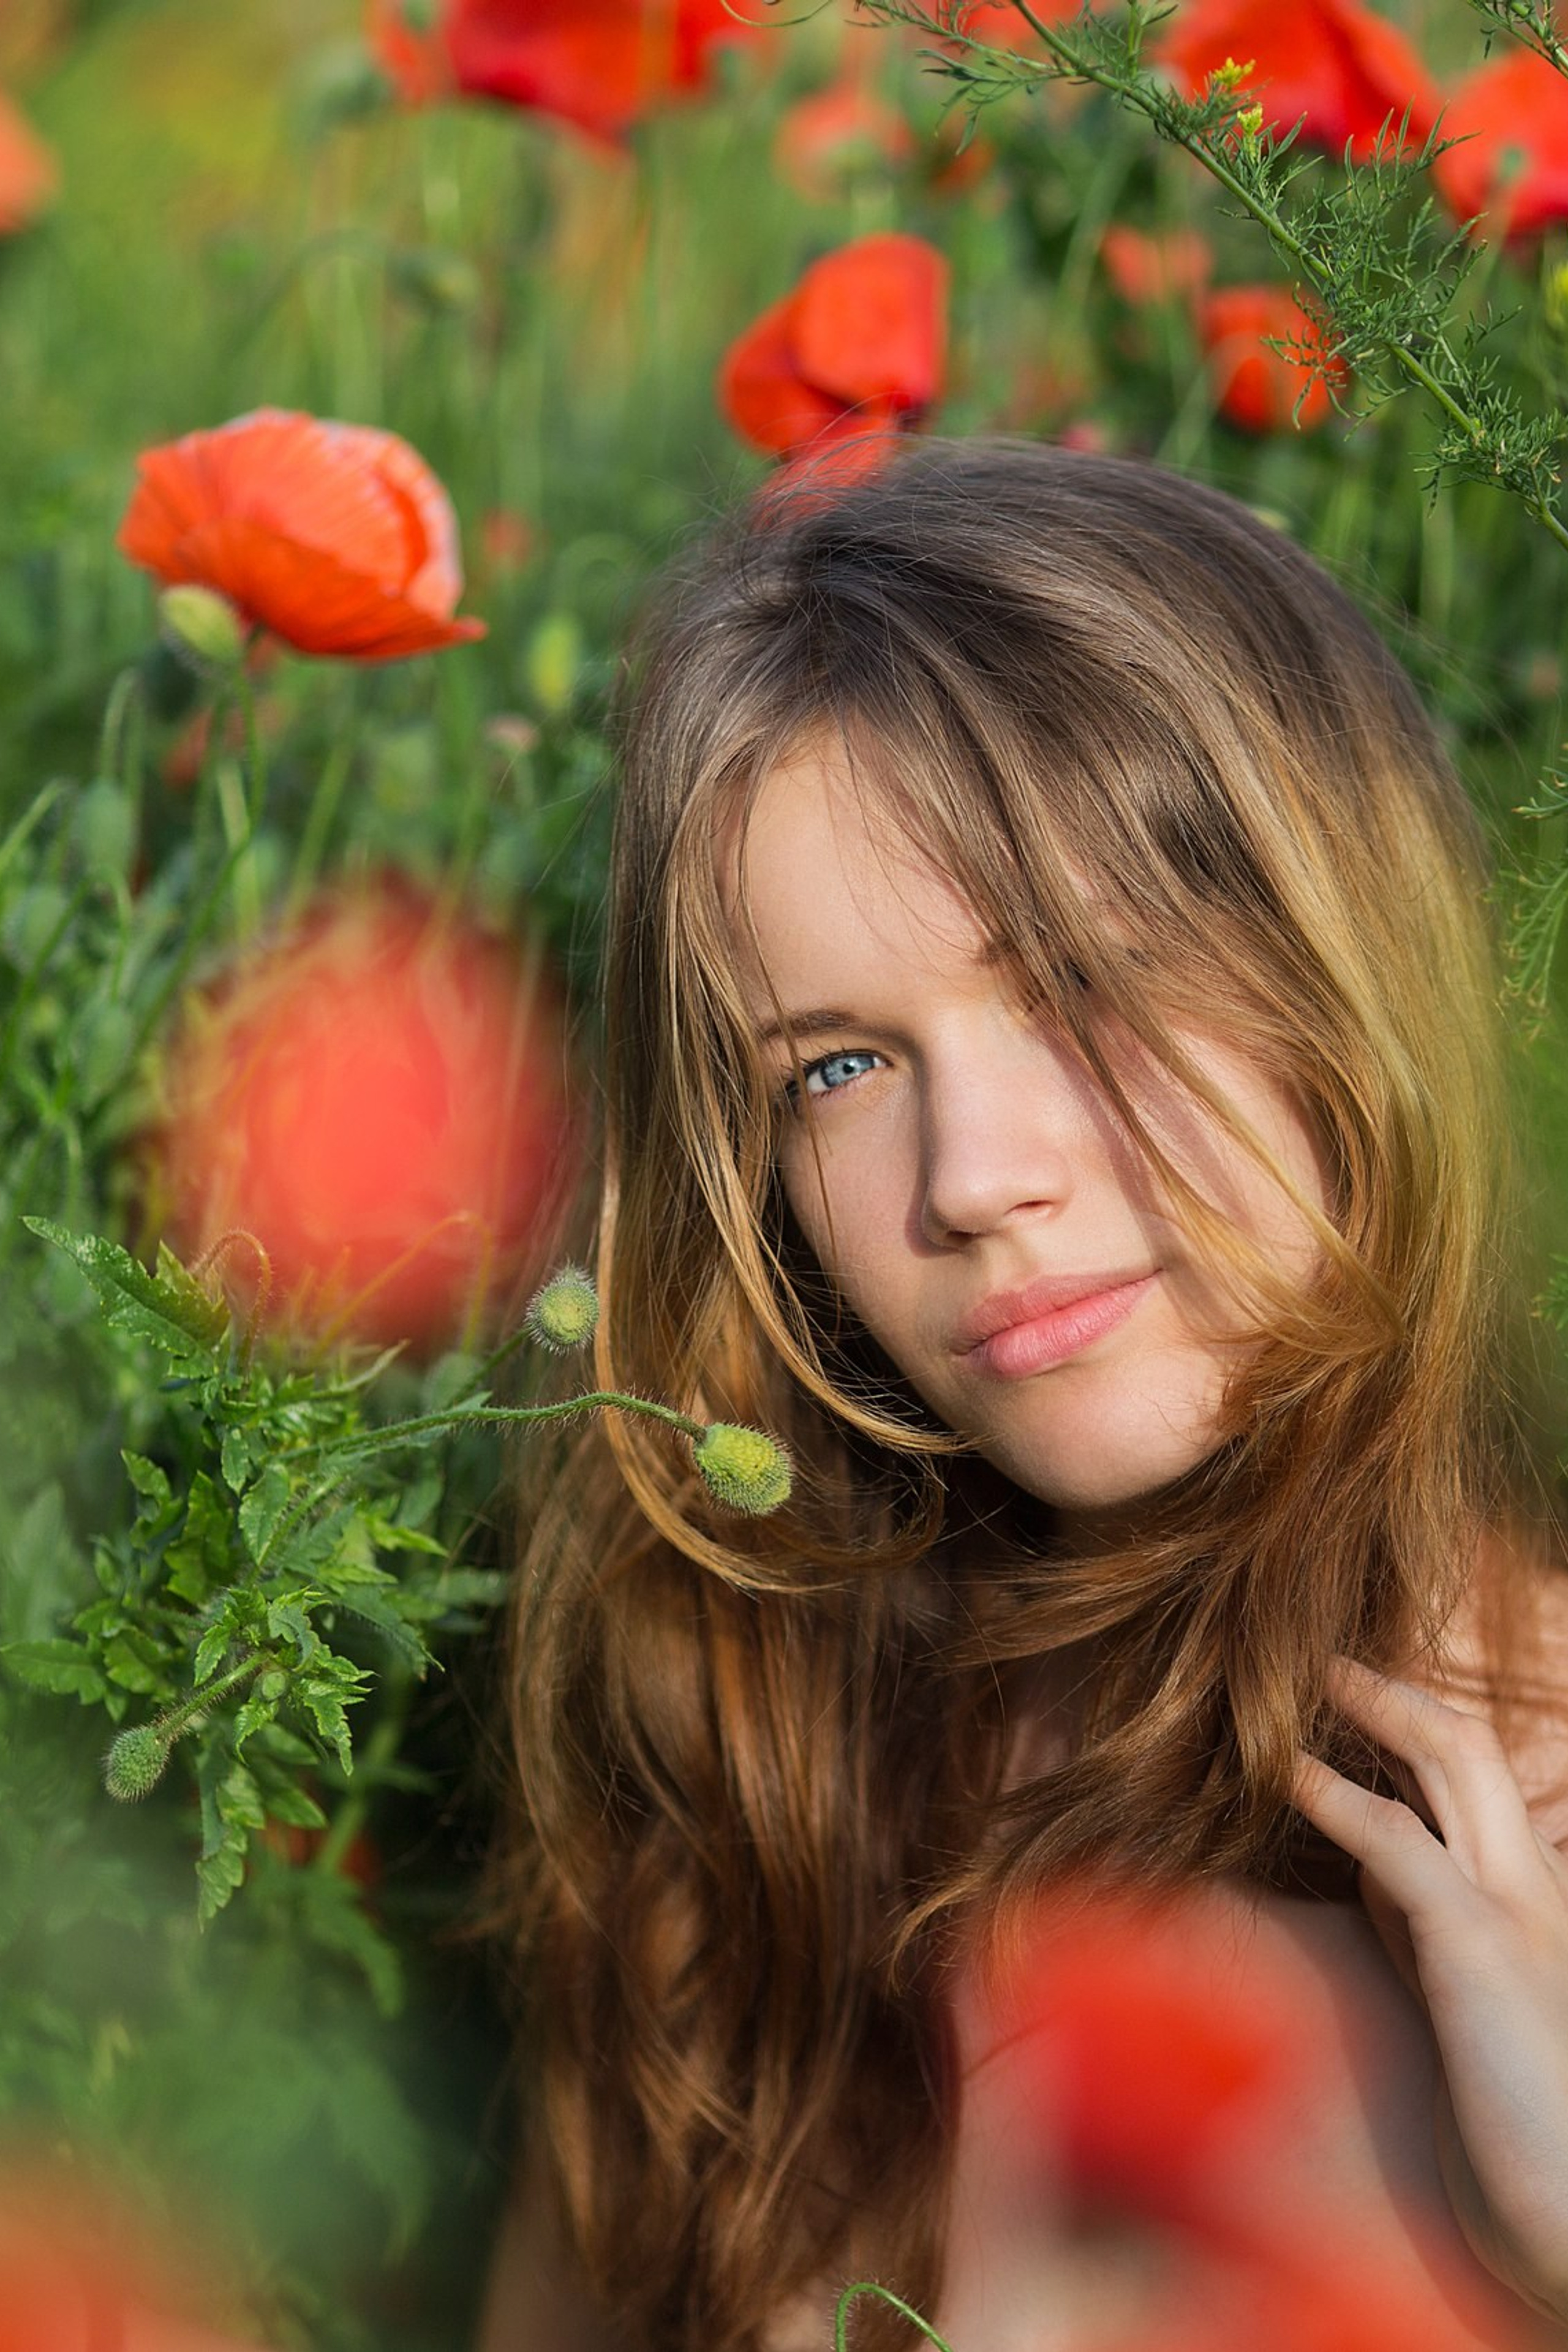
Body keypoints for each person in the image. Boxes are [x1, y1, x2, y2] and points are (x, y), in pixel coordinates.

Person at [478, 438, 1568, 2351]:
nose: (973, 1174)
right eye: (834, 1069)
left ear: (1347, 943)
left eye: (1080, 977)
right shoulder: (760, 1794)